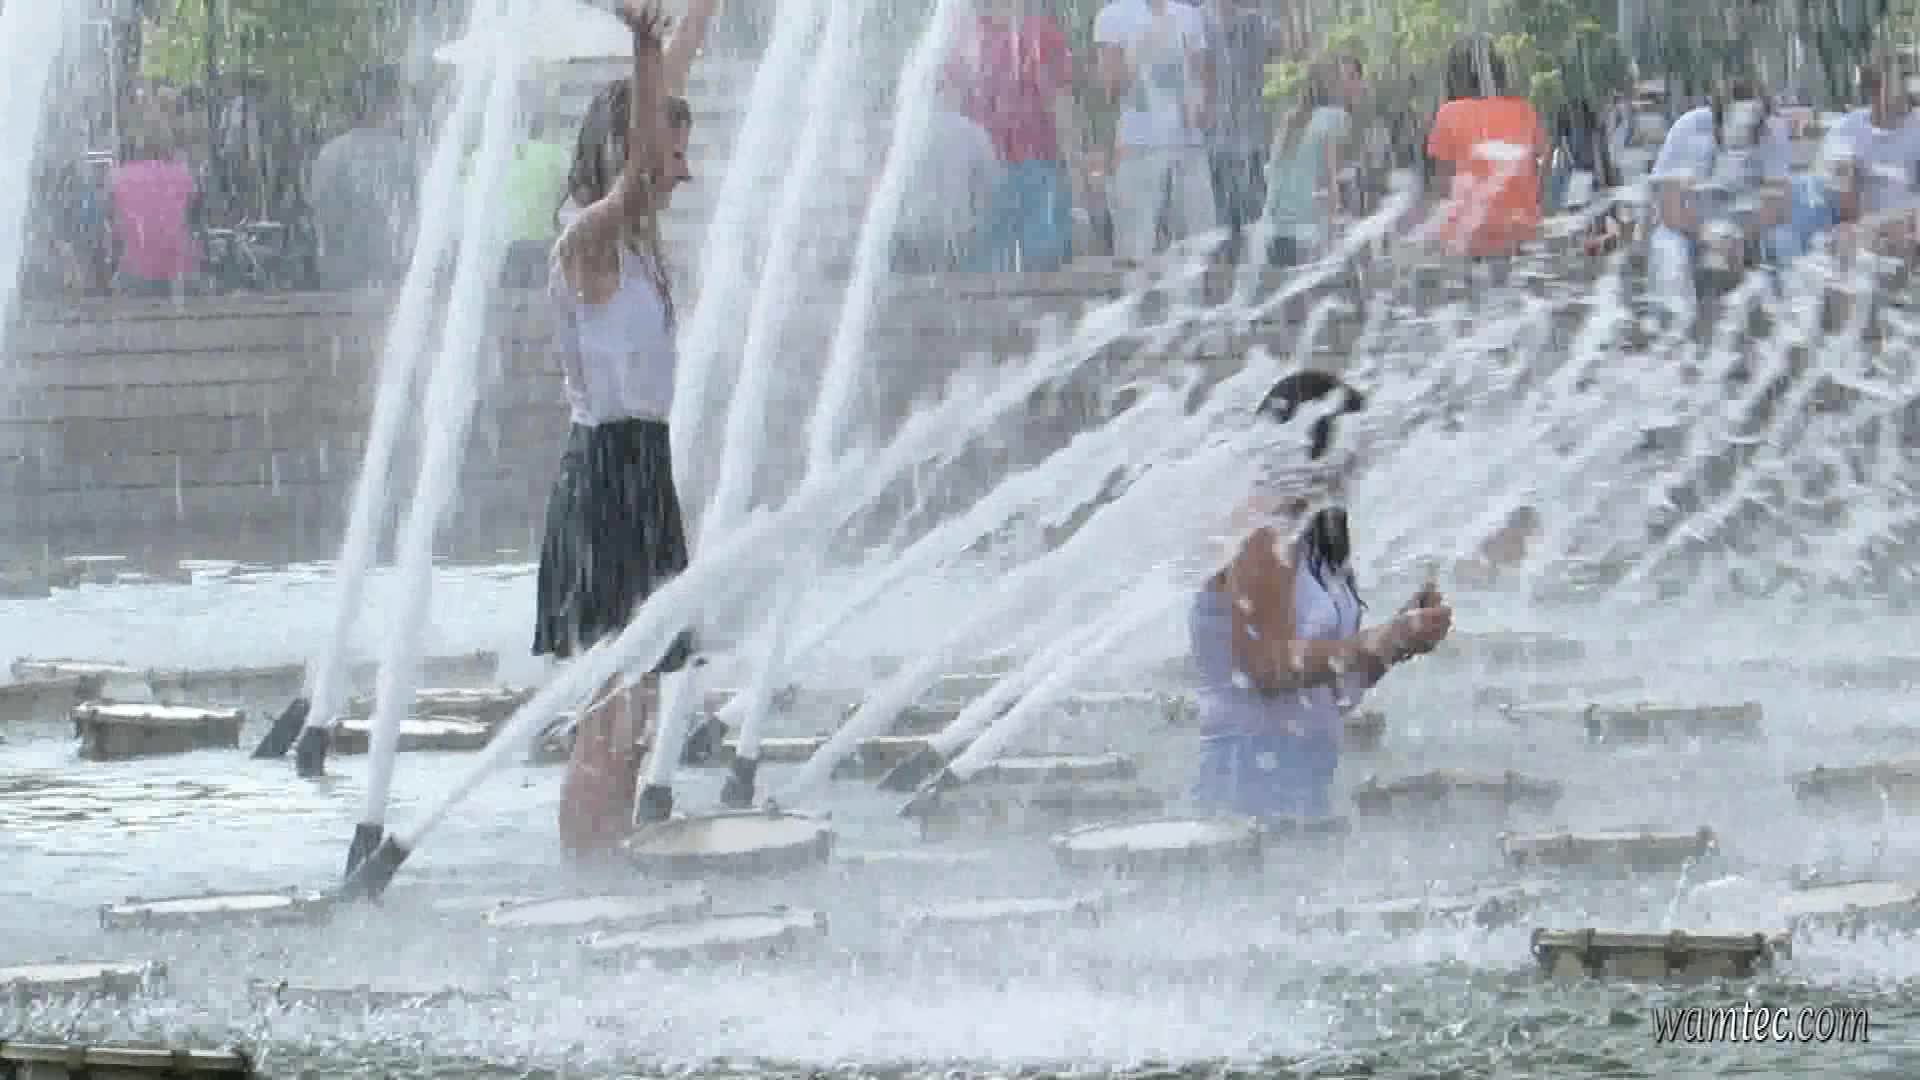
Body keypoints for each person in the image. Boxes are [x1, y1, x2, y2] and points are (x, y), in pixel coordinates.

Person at [535, 0, 699, 859]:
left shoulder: (635, 243)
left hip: (642, 467)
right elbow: (639, 164)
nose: (684, 172)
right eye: (677, 153)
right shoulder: (587, 242)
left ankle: (613, 862)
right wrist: (641, 44)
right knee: (607, 709)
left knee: (639, 705)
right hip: (604, 473)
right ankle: (582, 877)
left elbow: (666, 96)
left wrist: (693, 19)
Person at [1189, 370, 1453, 820]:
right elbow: (1268, 668)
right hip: (1249, 771)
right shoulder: (1263, 533)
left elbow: (1325, 688)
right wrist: (1381, 638)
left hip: (1300, 770)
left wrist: (1399, 641)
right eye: (1352, 449)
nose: (1359, 467)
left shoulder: (1313, 541)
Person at [946, 0, 1076, 271]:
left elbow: (1061, 100)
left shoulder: (1041, 35)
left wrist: (1071, 160)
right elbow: (954, 100)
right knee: (1003, 257)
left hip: (1027, 162)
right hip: (995, 165)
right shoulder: (968, 38)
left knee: (1026, 257)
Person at [1646, 79, 1792, 307]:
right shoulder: (1689, 128)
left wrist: (1740, 235)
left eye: (1752, 128)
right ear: (1717, 119)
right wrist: (1707, 234)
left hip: (1745, 223)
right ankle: (1672, 319)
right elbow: (1670, 208)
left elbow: (1779, 206)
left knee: (1784, 241)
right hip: (1687, 223)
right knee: (1670, 250)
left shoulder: (1772, 130)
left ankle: (1785, 314)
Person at [1094, 0, 1217, 260]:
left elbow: (1202, 88)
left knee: (1202, 248)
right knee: (1136, 255)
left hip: (1188, 149)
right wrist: (1139, 53)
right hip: (1138, 149)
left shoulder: (1188, 16)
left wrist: (1198, 106)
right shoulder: (1112, 16)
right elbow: (1110, 90)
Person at [1424, 35, 1548, 269]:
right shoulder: (1524, 110)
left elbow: (1443, 185)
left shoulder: (1448, 114)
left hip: (1470, 238)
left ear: (1454, 74)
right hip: (1520, 236)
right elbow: (1540, 165)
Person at [1794, 53, 1920, 263]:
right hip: (1866, 236)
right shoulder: (1847, 130)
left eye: (1905, 86)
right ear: (1872, 92)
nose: (1903, 96)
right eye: (1890, 87)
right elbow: (1845, 209)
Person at [308, 66, 416, 291]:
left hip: (341, 276)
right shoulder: (405, 155)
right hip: (392, 277)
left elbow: (324, 218)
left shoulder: (330, 153)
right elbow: (413, 218)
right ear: (388, 104)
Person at [891, 79, 1005, 273]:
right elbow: (992, 185)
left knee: (910, 286)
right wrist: (976, 219)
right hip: (955, 233)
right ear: (953, 93)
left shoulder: (904, 134)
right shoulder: (973, 133)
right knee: (953, 286)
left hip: (911, 230)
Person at [1200, 0, 1273, 262]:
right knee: (1221, 222)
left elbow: (1281, 50)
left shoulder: (1255, 21)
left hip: (1250, 137)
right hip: (1214, 141)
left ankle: (1255, 266)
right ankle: (1225, 266)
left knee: (1254, 217)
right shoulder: (1198, 20)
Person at [1260, 57, 1350, 266]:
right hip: (1305, 232)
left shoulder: (1289, 119)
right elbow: (1330, 181)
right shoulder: (1331, 118)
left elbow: (1271, 171)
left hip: (1275, 229)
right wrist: (1335, 232)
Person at [110, 99, 202, 297]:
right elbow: (192, 223)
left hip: (136, 273)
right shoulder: (183, 176)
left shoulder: (119, 178)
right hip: (178, 273)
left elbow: (115, 230)